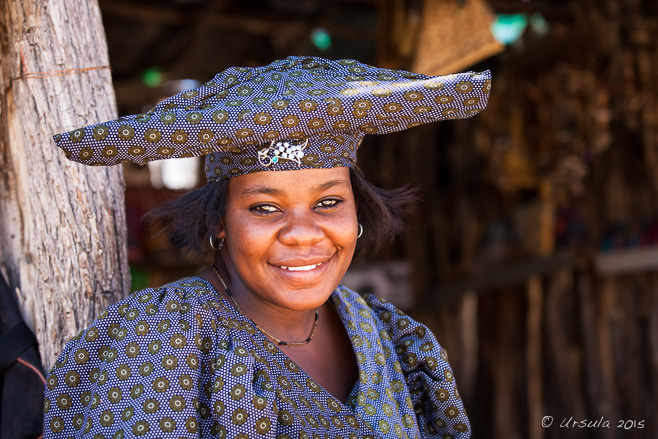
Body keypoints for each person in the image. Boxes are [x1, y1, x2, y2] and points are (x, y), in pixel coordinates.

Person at [44, 56, 491, 438]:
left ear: (359, 211)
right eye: (264, 208)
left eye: (329, 202)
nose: (302, 233)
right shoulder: (152, 347)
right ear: (219, 221)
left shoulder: (392, 338)